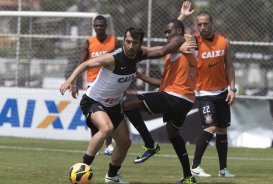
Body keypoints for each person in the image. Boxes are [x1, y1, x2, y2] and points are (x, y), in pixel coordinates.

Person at [60, 26, 191, 184]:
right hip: (93, 101)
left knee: (125, 143)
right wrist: (70, 80)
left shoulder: (140, 54)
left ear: (139, 43)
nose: (130, 46)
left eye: (134, 42)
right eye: (127, 41)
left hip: (114, 105)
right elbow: (86, 64)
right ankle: (82, 169)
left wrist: (179, 44)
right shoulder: (113, 58)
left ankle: (112, 176)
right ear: (124, 41)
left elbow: (163, 49)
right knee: (106, 128)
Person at [122, 19, 198, 184]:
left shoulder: (180, 41)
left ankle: (150, 145)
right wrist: (142, 77)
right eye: (165, 32)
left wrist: (137, 56)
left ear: (178, 32)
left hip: (175, 96)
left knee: (127, 105)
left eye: (168, 32)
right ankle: (188, 177)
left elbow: (164, 48)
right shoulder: (180, 50)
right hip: (186, 101)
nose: (166, 35)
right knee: (173, 134)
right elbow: (163, 83)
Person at [178, 3, 236, 178]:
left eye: (205, 24)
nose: (202, 27)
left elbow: (230, 67)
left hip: (222, 93)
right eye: (199, 24)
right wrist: (182, 16)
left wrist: (232, 89)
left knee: (222, 129)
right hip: (203, 94)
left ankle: (223, 169)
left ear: (212, 24)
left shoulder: (223, 41)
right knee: (210, 127)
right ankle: (194, 167)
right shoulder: (194, 41)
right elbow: (172, 33)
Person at [71, 15, 120, 155]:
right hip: (92, 82)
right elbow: (82, 63)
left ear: (106, 26)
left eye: (101, 25)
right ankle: (95, 142)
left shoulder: (114, 41)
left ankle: (109, 145)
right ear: (93, 26)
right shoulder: (88, 42)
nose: (99, 28)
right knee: (93, 115)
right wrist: (74, 83)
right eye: (96, 25)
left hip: (110, 82)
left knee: (108, 113)